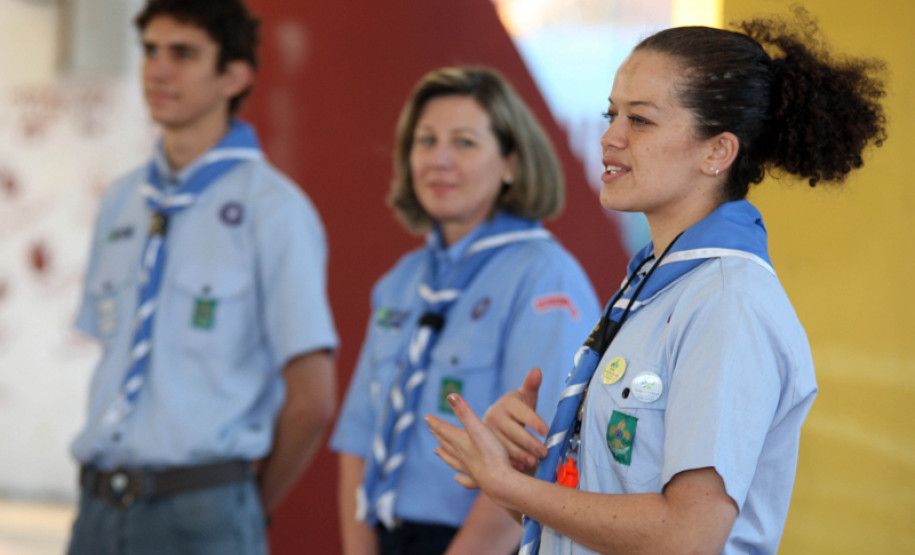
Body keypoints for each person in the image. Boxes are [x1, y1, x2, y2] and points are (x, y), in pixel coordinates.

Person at [427, 11, 886, 555]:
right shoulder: (652, 284)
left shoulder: (726, 300)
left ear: (717, 151)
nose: (609, 137)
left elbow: (687, 537)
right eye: (611, 113)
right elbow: (606, 520)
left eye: (639, 121)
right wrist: (521, 471)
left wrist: (514, 486)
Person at [66, 0, 338, 553]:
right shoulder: (122, 199)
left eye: (184, 54)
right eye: (150, 51)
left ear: (233, 76)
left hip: (203, 510)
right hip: (97, 509)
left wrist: (242, 505)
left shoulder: (274, 209)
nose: (158, 70)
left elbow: (313, 399)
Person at [329, 66, 600, 554]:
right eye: (426, 141)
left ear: (511, 163)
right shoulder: (403, 280)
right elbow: (357, 439)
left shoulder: (544, 276)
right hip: (386, 534)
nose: (440, 160)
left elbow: (536, 462)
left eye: (465, 143)